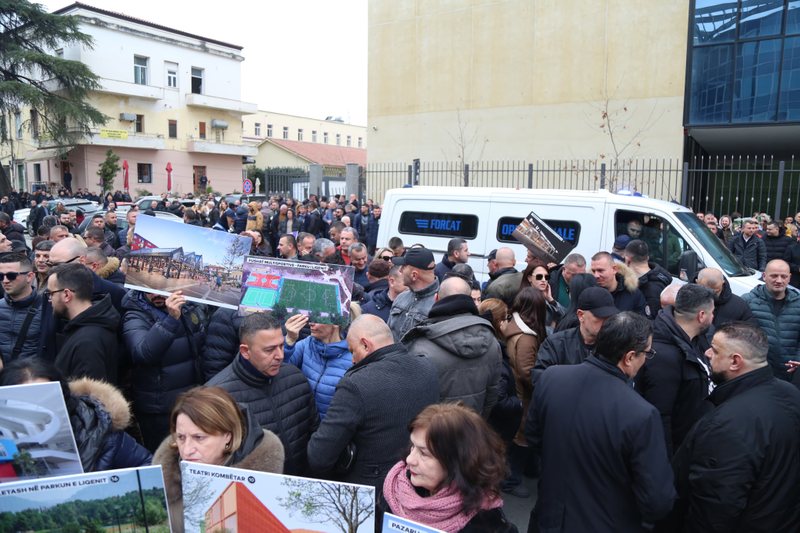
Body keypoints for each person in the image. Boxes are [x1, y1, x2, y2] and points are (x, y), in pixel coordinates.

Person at [527, 312, 675, 532]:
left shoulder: (552, 377)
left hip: (548, 517)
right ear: (629, 357)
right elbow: (657, 499)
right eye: (647, 353)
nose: (646, 360)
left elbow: (533, 437)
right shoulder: (641, 414)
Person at [669, 323, 800, 532]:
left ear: (735, 361)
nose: (708, 353)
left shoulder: (727, 425)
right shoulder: (791, 394)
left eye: (715, 349)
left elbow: (715, 509)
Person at [307, 315, 439, 493]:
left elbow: (320, 456)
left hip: (370, 493)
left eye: (352, 351)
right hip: (418, 484)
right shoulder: (428, 367)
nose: (353, 360)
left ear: (365, 345)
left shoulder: (356, 384)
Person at [153, 386, 285, 533]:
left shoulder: (264, 488)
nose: (186, 449)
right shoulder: (163, 487)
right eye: (181, 437)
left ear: (228, 436)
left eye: (199, 438)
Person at [207, 312, 319, 475]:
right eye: (269, 350)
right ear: (245, 351)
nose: (280, 356)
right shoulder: (217, 398)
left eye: (281, 346)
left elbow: (314, 430)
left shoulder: (295, 377)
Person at [0, 358, 152, 473]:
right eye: (24, 401)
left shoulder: (98, 427)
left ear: (63, 396)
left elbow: (148, 468)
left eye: (42, 396)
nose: (35, 409)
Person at [381, 404, 517, 533]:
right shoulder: (395, 490)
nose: (409, 459)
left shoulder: (486, 523)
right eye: (413, 446)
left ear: (456, 463)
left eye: (423, 453)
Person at [402, 276, 502, 417]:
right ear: (469, 299)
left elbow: (411, 401)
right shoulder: (492, 342)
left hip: (432, 432)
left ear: (436, 298)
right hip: (472, 428)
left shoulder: (420, 346)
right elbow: (492, 395)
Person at [121, 289, 206, 452]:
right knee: (166, 458)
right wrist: (171, 320)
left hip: (190, 401)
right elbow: (143, 354)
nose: (156, 295)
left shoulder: (189, 308)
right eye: (150, 291)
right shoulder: (135, 314)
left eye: (163, 291)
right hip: (159, 408)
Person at [636, 283, 715, 456]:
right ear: (701, 316)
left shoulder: (698, 340)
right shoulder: (663, 356)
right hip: (677, 452)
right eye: (712, 312)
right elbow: (660, 416)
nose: (713, 317)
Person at [48, 262, 120, 384]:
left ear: (66, 295)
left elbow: (89, 397)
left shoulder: (88, 341)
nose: (49, 300)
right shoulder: (87, 328)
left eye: (51, 293)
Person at [532, 286, 618, 387]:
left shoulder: (615, 345)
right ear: (581, 315)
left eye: (610, 317)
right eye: (600, 317)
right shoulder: (556, 344)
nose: (606, 323)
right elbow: (539, 380)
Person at [284, 314, 352, 420]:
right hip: (303, 423)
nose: (311, 323)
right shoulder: (308, 344)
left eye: (318, 318)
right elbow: (281, 368)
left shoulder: (352, 356)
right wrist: (289, 341)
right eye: (311, 318)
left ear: (336, 322)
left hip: (333, 428)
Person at [742, 259, 800, 381]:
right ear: (764, 276)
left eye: (783, 276)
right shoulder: (747, 301)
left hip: (793, 375)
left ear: (789, 278)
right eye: (774, 276)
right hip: (758, 375)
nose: (779, 280)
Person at [388, 247, 440, 341]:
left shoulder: (440, 304)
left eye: (403, 267)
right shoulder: (401, 297)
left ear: (414, 275)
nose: (399, 270)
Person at [0, 253, 42, 363]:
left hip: (34, 376)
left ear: (30, 276)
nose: (5, 281)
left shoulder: (47, 309)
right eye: (0, 276)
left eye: (11, 275)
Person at [624, 239, 671, 320]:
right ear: (647, 258)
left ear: (628, 260)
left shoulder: (650, 289)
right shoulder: (657, 279)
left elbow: (652, 320)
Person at [519, 260, 564, 329]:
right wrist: (552, 327)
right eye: (539, 276)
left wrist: (551, 300)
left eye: (546, 277)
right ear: (529, 278)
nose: (543, 280)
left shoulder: (546, 299)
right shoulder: (525, 299)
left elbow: (565, 317)